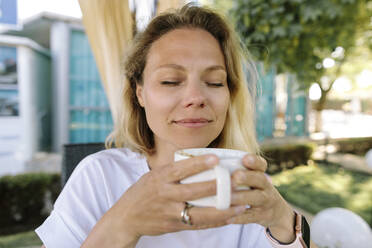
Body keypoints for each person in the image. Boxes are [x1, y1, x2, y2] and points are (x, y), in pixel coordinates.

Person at [36, 4, 310, 248]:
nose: (196, 98)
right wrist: (123, 223)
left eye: (215, 82)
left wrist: (284, 222)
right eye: (170, 81)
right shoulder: (100, 176)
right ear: (139, 93)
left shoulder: (246, 186)